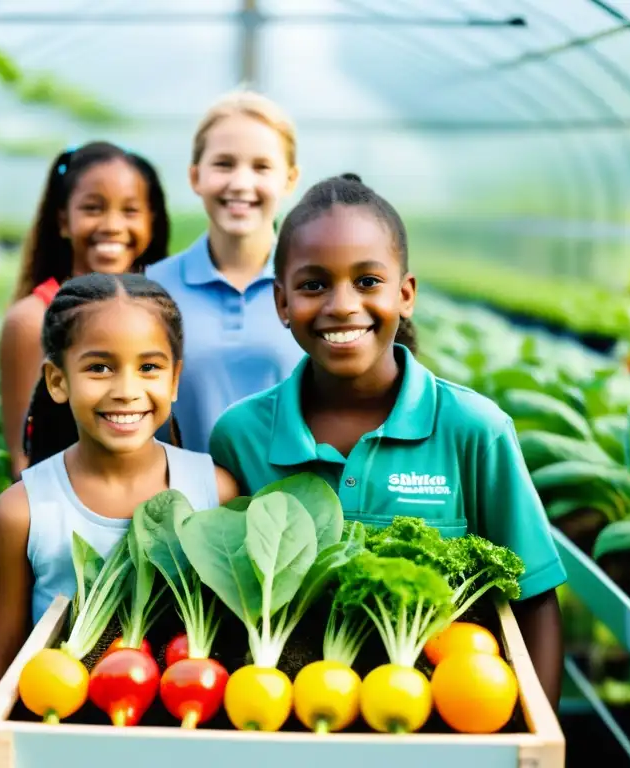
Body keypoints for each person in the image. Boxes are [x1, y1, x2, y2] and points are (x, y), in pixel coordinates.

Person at [208, 173, 566, 706]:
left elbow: (534, 600)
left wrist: (538, 747)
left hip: (446, 719)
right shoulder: (240, 435)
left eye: (368, 281)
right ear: (281, 302)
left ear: (406, 294)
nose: (342, 305)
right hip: (285, 720)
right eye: (313, 285)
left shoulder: (473, 428)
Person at [0, 272, 239, 703]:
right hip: (61, 734)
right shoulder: (22, 511)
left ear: (174, 380)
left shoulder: (215, 492)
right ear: (57, 381)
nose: (126, 391)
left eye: (149, 368)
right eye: (99, 368)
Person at [0, 142, 171, 479]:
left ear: (152, 223)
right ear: (63, 220)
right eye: (93, 208)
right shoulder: (32, 320)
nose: (111, 224)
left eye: (130, 211)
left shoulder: (164, 312)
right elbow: (23, 459)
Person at [146, 90, 305, 453]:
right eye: (224, 164)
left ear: (290, 179)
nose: (241, 183)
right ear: (195, 176)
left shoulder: (319, 287)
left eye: (261, 167)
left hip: (295, 507)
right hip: (181, 504)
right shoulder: (152, 290)